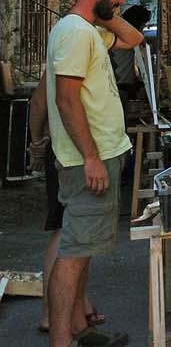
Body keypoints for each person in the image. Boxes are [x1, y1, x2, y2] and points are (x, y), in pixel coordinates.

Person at [45, 0, 143, 347]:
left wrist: (102, 13)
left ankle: (79, 330)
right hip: (88, 159)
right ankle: (61, 340)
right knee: (73, 251)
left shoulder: (87, 28)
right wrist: (89, 156)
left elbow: (133, 39)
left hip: (99, 154)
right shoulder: (73, 31)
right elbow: (67, 99)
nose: (121, 0)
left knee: (84, 248)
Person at [29, 70, 104, 337]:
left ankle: (77, 304)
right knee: (66, 231)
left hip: (75, 152)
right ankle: (52, 313)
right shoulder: (69, 48)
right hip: (68, 153)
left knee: (79, 233)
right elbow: (39, 101)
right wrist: (37, 140)